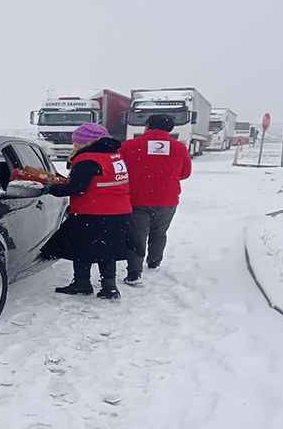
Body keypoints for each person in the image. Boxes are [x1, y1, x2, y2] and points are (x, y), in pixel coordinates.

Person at [41, 123, 135, 300]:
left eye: (76, 142)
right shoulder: (114, 156)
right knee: (107, 251)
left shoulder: (88, 160)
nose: (74, 145)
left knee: (81, 248)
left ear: (85, 142)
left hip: (92, 212)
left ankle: (81, 283)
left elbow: (77, 188)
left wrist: (51, 189)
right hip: (118, 212)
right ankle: (109, 287)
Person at [118, 114, 192, 285]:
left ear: (148, 126)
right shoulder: (179, 148)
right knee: (159, 233)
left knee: (137, 236)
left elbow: (121, 170)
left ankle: (134, 273)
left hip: (137, 199)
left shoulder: (130, 146)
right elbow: (185, 173)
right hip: (167, 199)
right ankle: (154, 261)